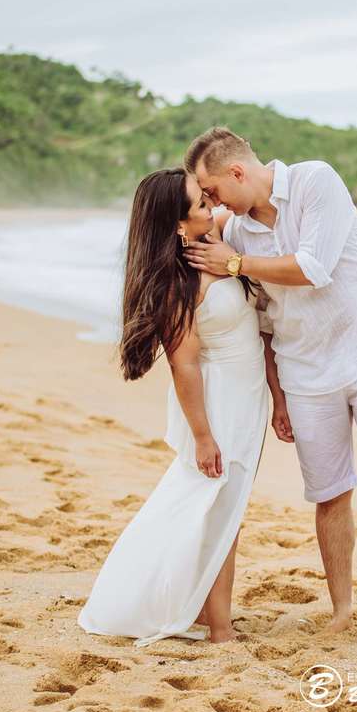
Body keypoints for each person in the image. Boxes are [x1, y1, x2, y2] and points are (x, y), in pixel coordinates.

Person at [183, 127, 357, 648]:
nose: (211, 201)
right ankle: (341, 609)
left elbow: (313, 268)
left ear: (237, 172)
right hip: (304, 372)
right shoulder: (236, 230)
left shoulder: (316, 181)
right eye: (204, 197)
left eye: (212, 190)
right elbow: (264, 324)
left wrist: (233, 262)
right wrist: (277, 394)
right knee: (330, 493)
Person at [77, 167, 281, 646]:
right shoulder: (179, 284)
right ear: (177, 224)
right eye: (201, 205)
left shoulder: (215, 258)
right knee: (209, 508)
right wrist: (204, 436)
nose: (214, 208)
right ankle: (217, 626)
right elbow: (184, 367)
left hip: (246, 397)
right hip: (218, 405)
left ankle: (216, 619)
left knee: (220, 510)